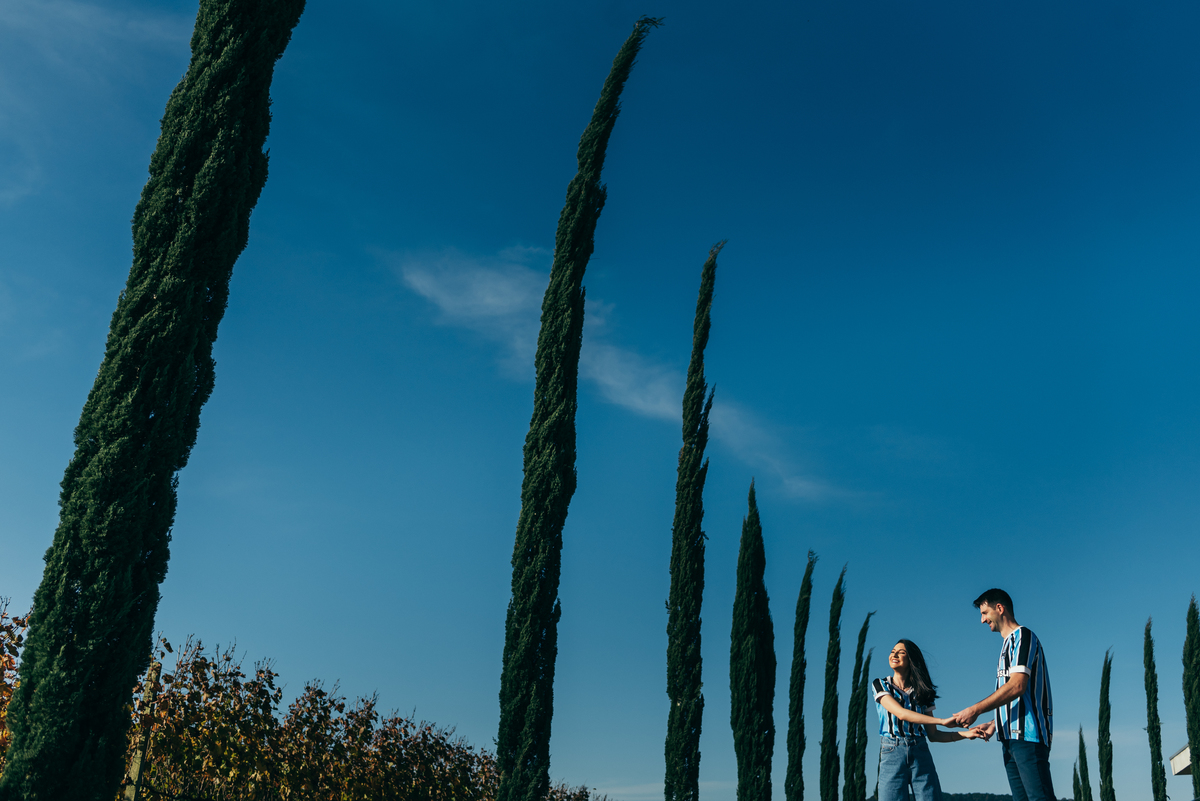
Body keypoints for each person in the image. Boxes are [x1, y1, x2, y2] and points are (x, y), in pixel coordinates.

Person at [949, 589, 1055, 801]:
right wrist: (995, 723)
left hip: (1028, 737)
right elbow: (1014, 697)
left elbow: (1017, 687)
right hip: (1009, 739)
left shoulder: (1023, 637)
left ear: (1000, 608)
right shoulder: (1006, 645)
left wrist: (975, 709)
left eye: (985, 612)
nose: (982, 620)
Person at [874, 639, 981, 801]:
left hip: (920, 752)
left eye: (901, 652)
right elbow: (901, 713)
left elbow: (934, 735)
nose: (894, 654)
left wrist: (965, 734)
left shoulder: (923, 693)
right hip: (891, 753)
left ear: (911, 660)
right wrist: (942, 720)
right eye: (892, 651)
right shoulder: (881, 685)